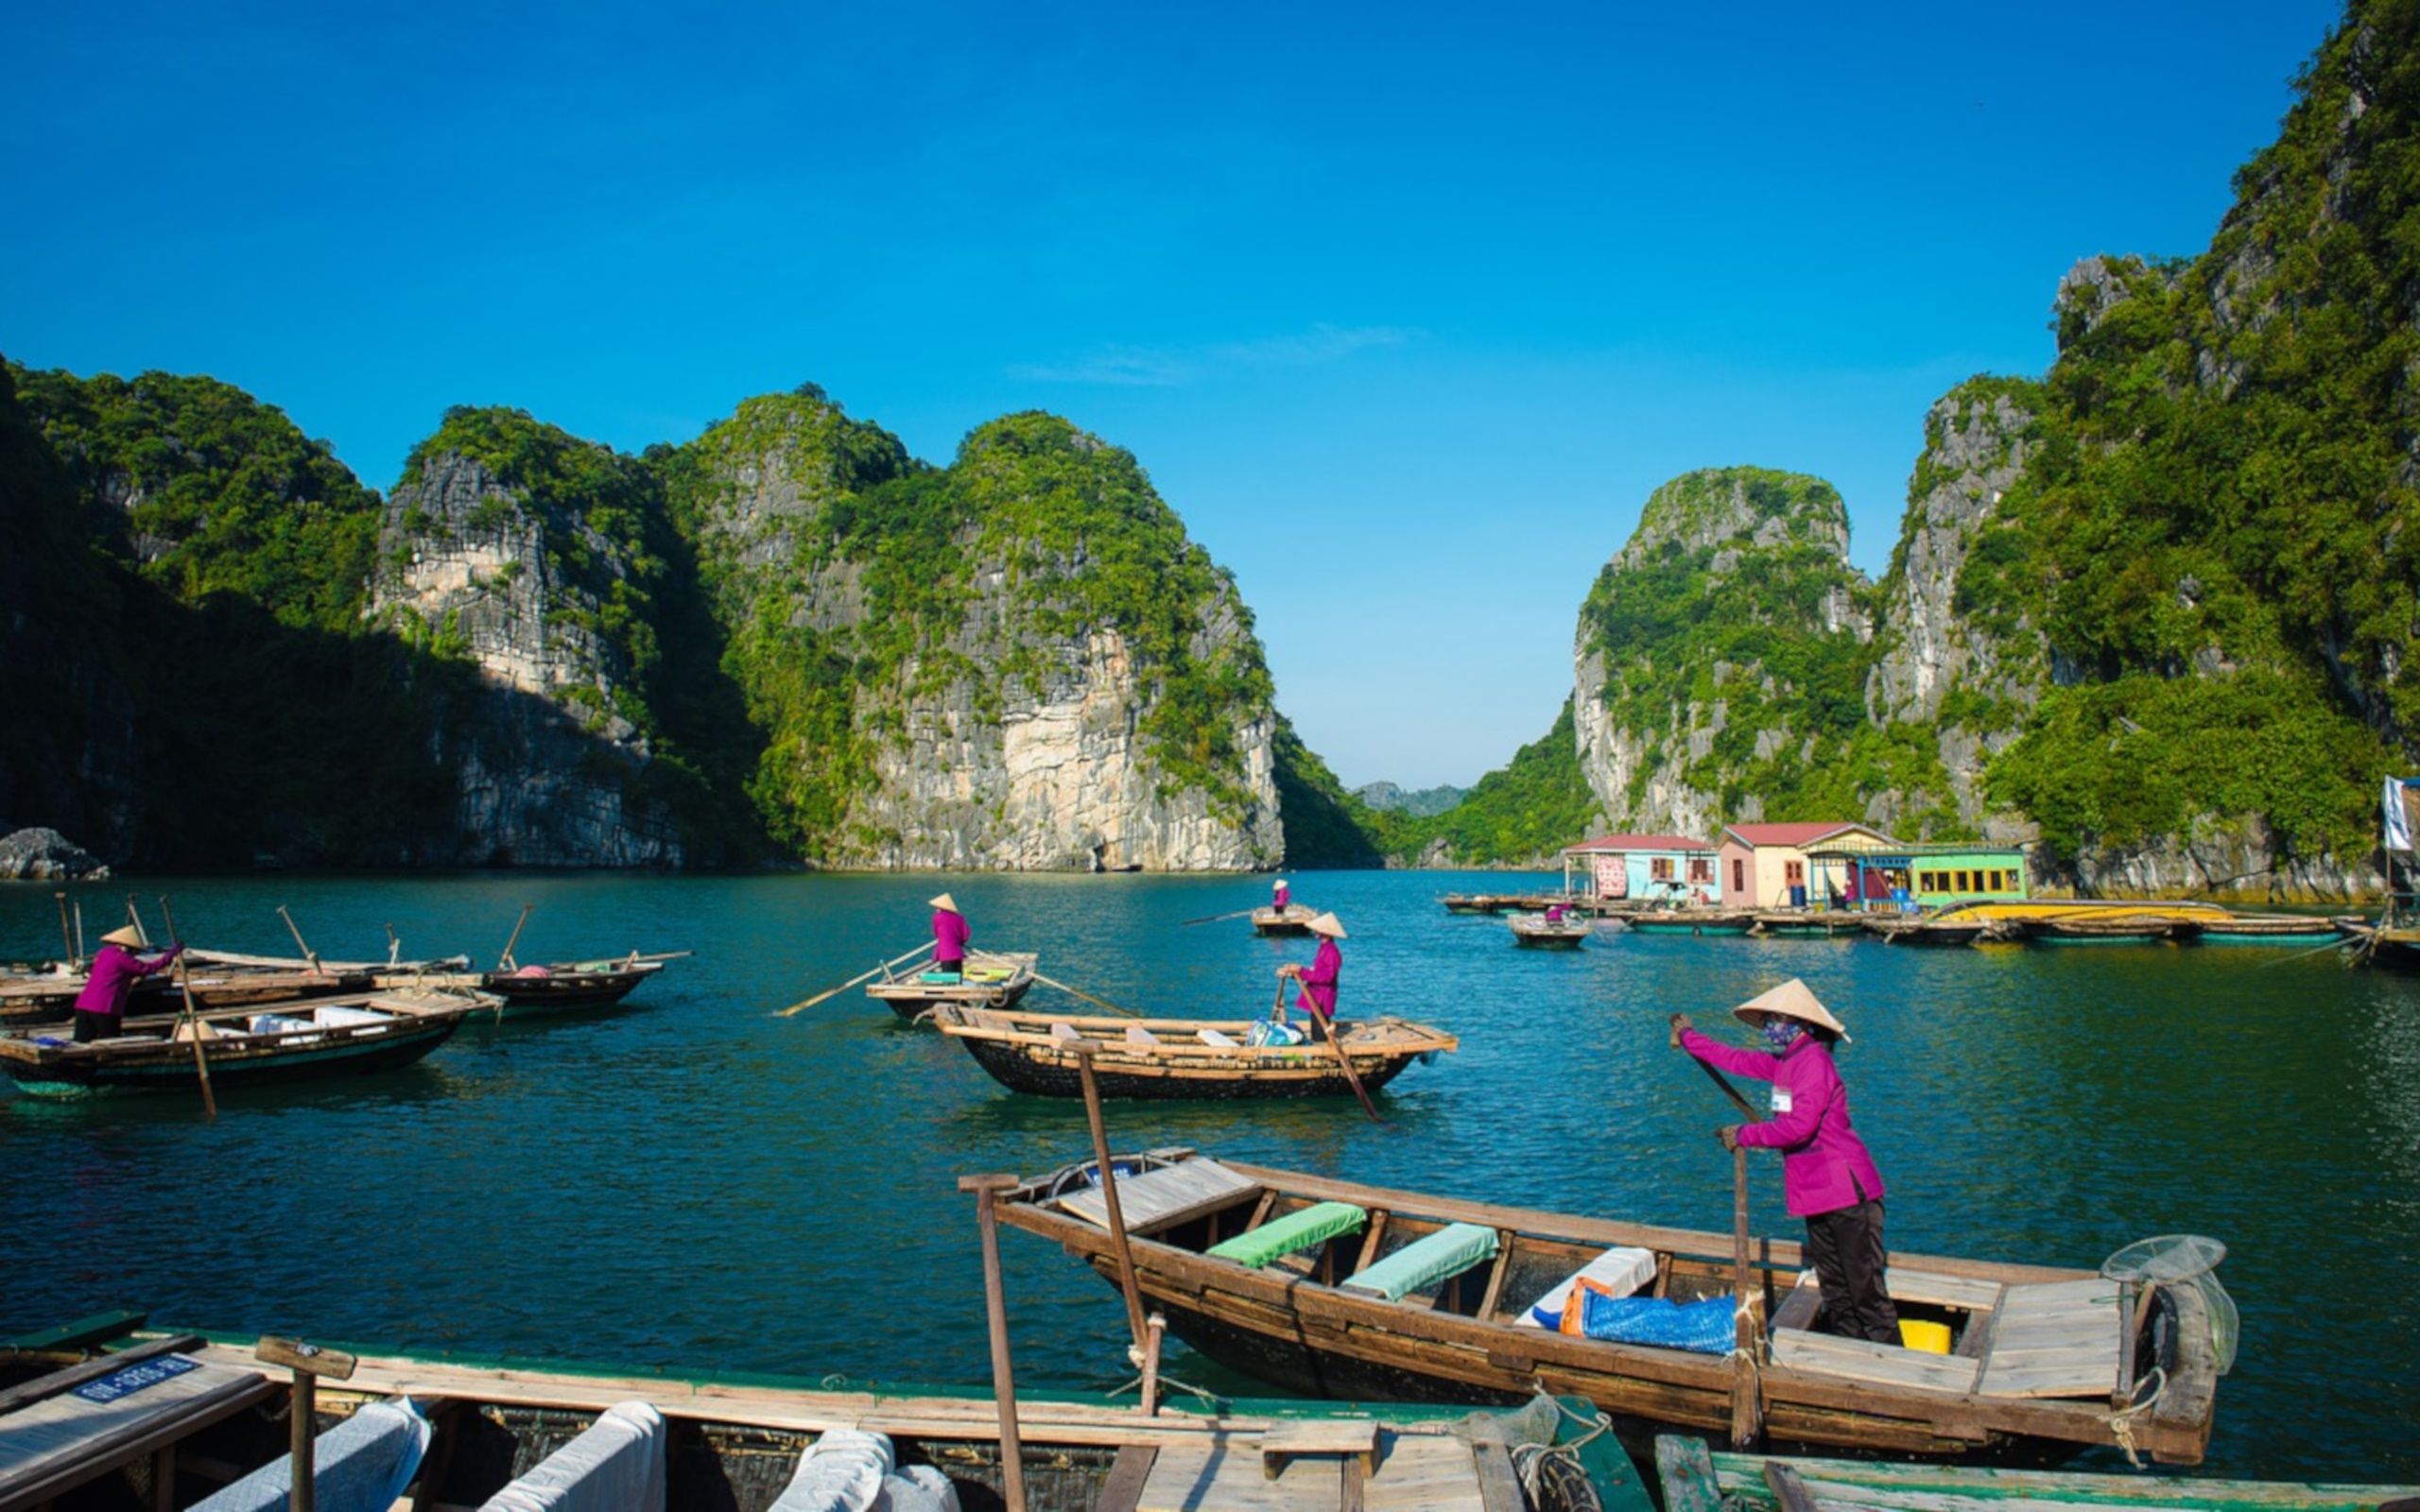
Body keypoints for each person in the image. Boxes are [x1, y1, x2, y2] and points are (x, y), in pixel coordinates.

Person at [1668, 978, 1899, 1345]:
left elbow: (1798, 1128)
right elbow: (1735, 1059)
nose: (1770, 1028)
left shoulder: (1813, 1062)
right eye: (1770, 1020)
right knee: (1835, 1286)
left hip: (1847, 1192)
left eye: (1777, 1020)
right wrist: (1692, 1038)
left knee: (1864, 1288)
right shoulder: (1786, 1062)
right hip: (1818, 1193)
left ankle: (1893, 1364)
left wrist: (1745, 1135)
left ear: (1801, 1024)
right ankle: (1848, 1355)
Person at [73, 925, 183, 1042]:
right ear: (127, 948)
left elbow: (115, 972)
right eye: (135, 951)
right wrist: (169, 956)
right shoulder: (122, 958)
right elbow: (148, 969)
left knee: (81, 1041)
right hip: (104, 1006)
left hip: (84, 1004)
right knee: (111, 1041)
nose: (135, 954)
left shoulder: (104, 953)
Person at [1276, 912, 1346, 1041]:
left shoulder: (1331, 952)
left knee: (1320, 1033)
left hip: (1323, 998)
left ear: (1327, 933)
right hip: (1317, 996)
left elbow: (1326, 977)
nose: (1317, 935)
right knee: (1316, 1029)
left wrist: (1302, 971)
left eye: (1319, 932)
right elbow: (1316, 972)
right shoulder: (1324, 949)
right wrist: (1294, 972)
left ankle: (1323, 1052)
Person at [928, 894, 969, 981]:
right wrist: (959, 942)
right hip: (957, 952)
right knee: (958, 978)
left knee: (948, 979)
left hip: (945, 953)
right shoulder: (960, 918)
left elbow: (936, 933)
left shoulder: (937, 917)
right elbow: (966, 934)